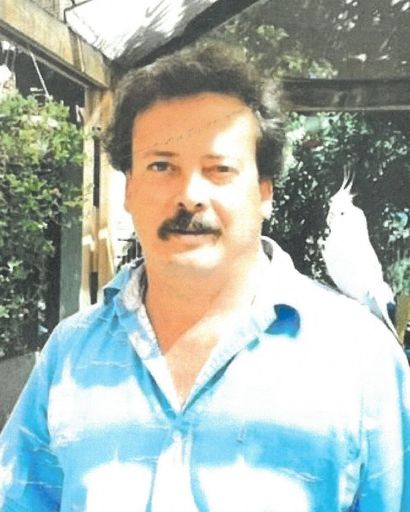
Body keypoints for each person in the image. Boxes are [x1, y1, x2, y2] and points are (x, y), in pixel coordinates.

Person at [0, 44, 409, 512]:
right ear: (130, 188)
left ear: (264, 192)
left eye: (219, 169)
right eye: (161, 166)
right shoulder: (70, 355)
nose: (190, 194)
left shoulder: (361, 359)